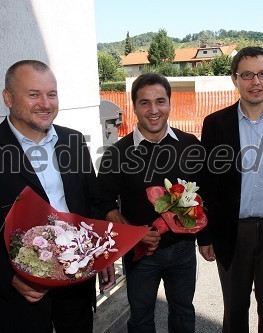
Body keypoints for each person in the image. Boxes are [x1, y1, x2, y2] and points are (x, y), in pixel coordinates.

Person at [0, 60, 114, 333]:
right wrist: (10, 276)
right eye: (33, 94)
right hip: (19, 304)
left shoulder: (74, 142)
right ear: (8, 98)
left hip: (76, 295)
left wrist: (100, 255)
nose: (45, 104)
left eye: (52, 94)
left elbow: (92, 205)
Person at [197, 46, 263, 333]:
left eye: (262, 74)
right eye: (246, 74)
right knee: (234, 310)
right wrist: (204, 235)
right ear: (234, 79)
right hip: (233, 231)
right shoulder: (215, 124)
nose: (255, 82)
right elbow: (206, 182)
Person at [97, 73, 204, 333]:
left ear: (170, 103)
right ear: (134, 106)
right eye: (145, 103)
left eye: (160, 101)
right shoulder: (117, 153)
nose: (153, 110)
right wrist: (134, 234)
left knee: (183, 313)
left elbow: (204, 194)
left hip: (183, 251)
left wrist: (207, 238)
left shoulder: (190, 145)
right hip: (141, 255)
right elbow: (103, 202)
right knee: (141, 319)